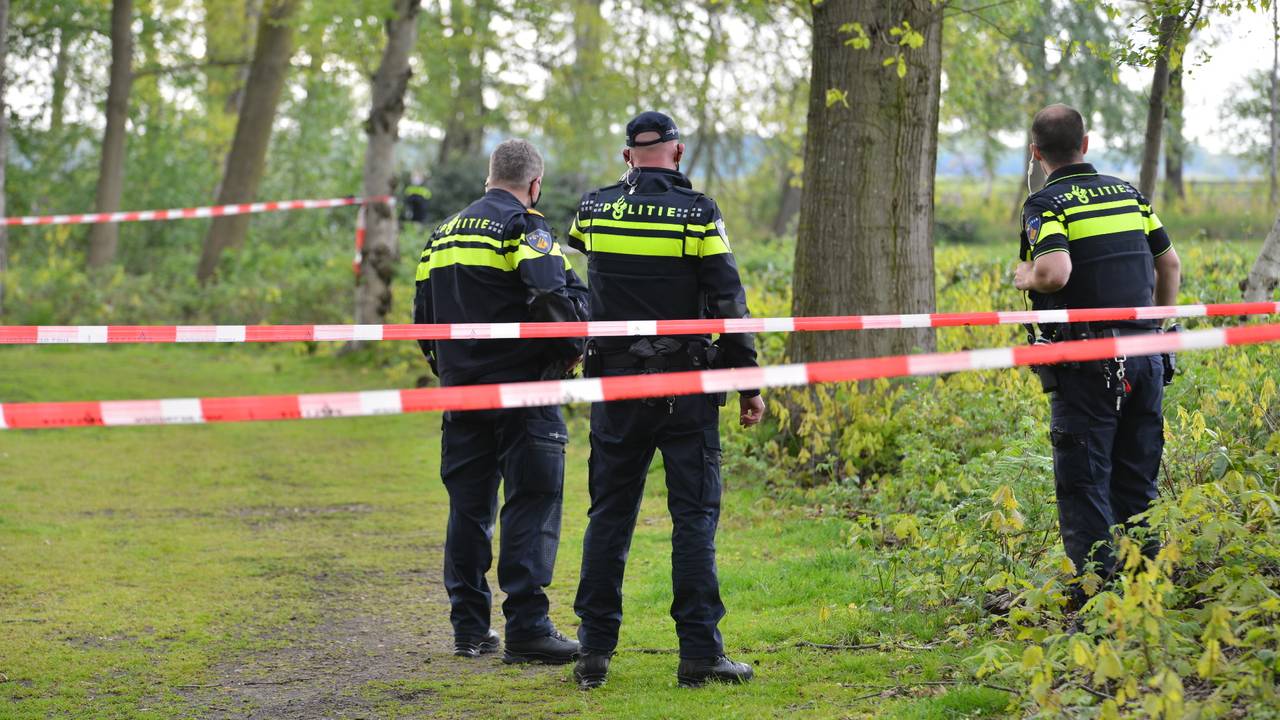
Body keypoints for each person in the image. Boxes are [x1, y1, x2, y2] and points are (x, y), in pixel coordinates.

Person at [565, 111, 766, 689]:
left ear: (627, 155)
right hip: (687, 386)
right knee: (694, 518)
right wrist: (748, 383)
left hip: (616, 386)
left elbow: (584, 264)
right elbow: (728, 302)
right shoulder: (698, 213)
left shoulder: (594, 208)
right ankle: (700, 654)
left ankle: (593, 651)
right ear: (678, 152)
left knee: (609, 514)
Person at [414, 139, 588, 664]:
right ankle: (528, 629)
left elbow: (423, 320)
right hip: (524, 390)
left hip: (462, 392)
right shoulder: (524, 226)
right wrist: (572, 351)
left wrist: (448, 370)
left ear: (490, 177)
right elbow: (550, 296)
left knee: (468, 510)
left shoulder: (442, 235)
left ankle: (468, 629)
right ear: (535, 184)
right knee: (531, 502)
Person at [1013, 104, 1182, 609]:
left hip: (1086, 364)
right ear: (1085, 144)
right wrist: (1159, 329)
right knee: (1138, 483)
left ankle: (1097, 611)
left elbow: (1055, 272)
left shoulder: (1045, 203)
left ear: (1036, 153)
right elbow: (1170, 265)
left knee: (1085, 486)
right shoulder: (1129, 194)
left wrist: (1026, 275)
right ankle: (1146, 600)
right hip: (1145, 355)